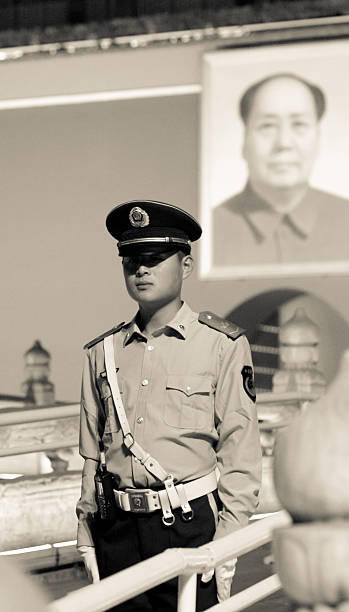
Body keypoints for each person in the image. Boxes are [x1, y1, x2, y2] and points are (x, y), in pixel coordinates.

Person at [76, 199, 262, 611]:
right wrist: (86, 528)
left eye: (156, 258)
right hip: (116, 530)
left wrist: (227, 543)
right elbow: (93, 457)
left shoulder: (222, 345)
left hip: (187, 524)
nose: (141, 269)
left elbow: (240, 453)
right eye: (131, 259)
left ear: (186, 266)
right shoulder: (101, 353)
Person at [212, 72, 349, 267]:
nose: (284, 143)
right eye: (267, 126)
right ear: (244, 141)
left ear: (319, 139)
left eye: (299, 124)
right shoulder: (207, 231)